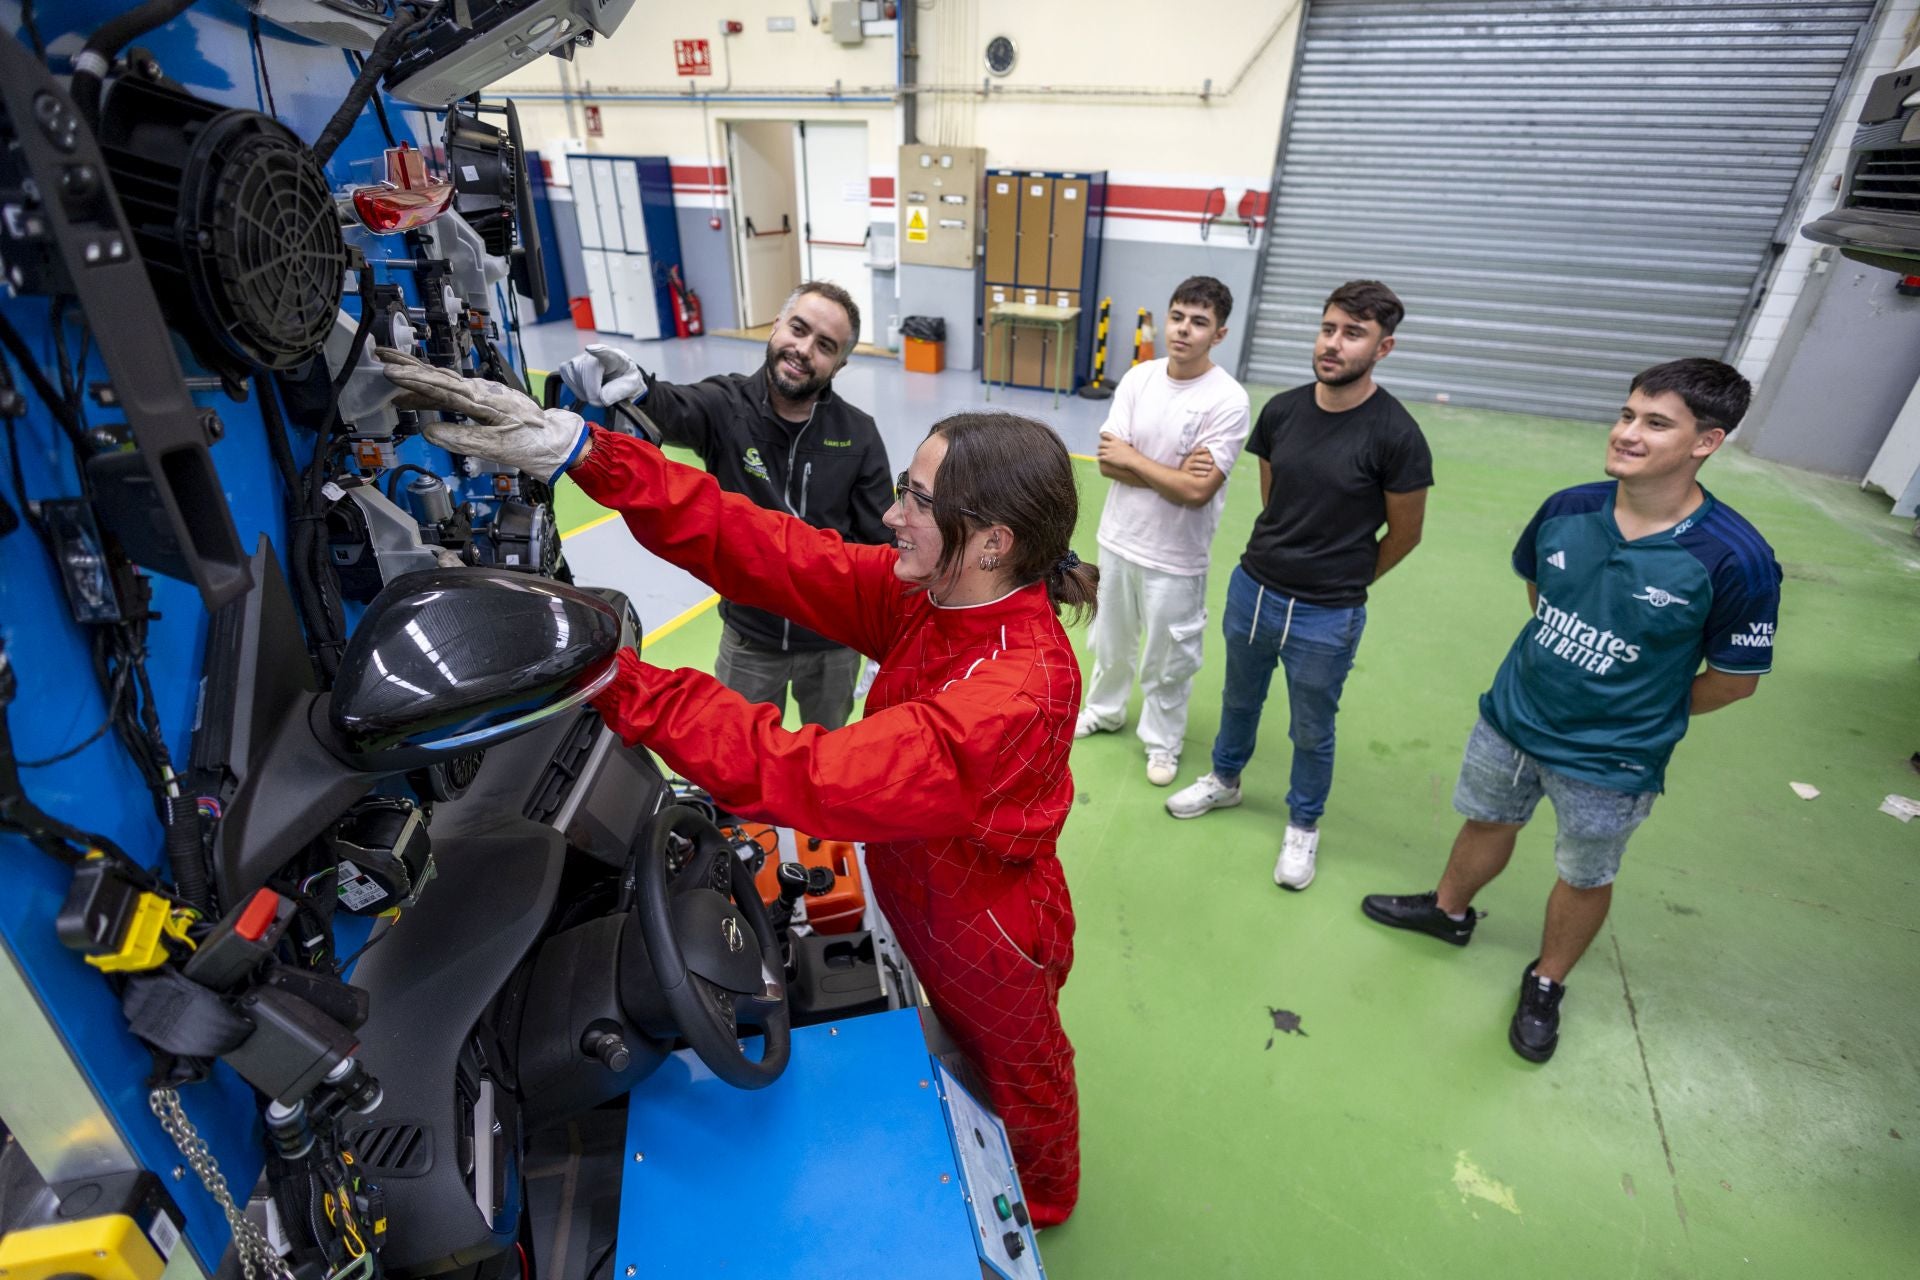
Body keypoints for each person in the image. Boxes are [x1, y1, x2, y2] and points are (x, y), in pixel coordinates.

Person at [379, 347, 1099, 1226]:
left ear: (994, 541)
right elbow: (776, 551)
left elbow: (813, 776)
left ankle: (1047, 1199)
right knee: (964, 1041)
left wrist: (622, 682)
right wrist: (587, 452)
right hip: (915, 884)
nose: (891, 512)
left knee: (1022, 1068)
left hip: (983, 927)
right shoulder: (940, 597)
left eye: (916, 501)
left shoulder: (1019, 687)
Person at [1361, 359, 1777, 1063]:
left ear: (1706, 442)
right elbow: (1541, 593)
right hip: (1513, 717)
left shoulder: (1734, 558)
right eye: (1626, 414)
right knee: (1487, 817)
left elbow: (1734, 681)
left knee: (1586, 872)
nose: (1627, 433)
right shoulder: (1568, 509)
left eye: (1655, 423)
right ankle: (1449, 911)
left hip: (1611, 760)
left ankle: (1547, 981)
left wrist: (1631, 710)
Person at [1164, 280, 1432, 892]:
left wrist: (1343, 579)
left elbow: (1406, 533)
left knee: (1312, 726)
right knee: (1238, 699)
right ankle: (1225, 780)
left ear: (1383, 347)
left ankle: (1304, 823)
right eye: (1329, 328)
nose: (1333, 344)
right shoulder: (1282, 411)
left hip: (1327, 613)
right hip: (1253, 588)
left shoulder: (1396, 435)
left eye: (1353, 334)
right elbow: (1275, 497)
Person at [558, 280, 892, 730]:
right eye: (798, 328)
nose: (803, 349)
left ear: (841, 363)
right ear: (776, 327)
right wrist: (636, 388)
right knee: (734, 750)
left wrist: (884, 639)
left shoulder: (860, 434)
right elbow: (674, 407)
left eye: (825, 345)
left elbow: (881, 542)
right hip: (750, 637)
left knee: (830, 750)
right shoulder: (725, 405)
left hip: (832, 644)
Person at [1076, 276, 1252, 786]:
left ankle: (1162, 742)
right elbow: (1109, 462)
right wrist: (1169, 473)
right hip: (1117, 540)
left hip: (1176, 558)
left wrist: (1136, 459)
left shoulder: (1228, 400)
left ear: (1218, 334)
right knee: (1109, 645)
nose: (1184, 330)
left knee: (1168, 660)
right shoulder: (1140, 379)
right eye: (1178, 317)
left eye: (1199, 323)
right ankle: (1105, 711)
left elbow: (1197, 492)